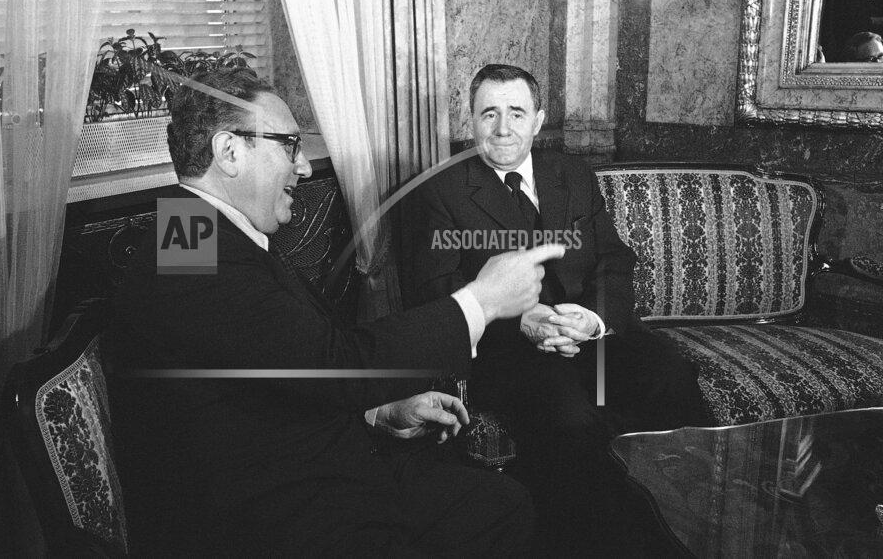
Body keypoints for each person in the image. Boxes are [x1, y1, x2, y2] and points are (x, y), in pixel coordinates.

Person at [106, 66, 566, 555]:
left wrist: (378, 414)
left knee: (499, 502)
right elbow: (330, 361)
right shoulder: (188, 254)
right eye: (289, 145)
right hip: (276, 514)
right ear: (229, 151)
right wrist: (482, 300)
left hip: (305, 465)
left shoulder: (195, 229)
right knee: (499, 508)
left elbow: (281, 367)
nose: (304, 167)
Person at [407, 63, 707, 555]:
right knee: (572, 422)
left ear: (538, 119)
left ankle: (686, 529)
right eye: (489, 113)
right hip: (509, 354)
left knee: (667, 374)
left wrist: (592, 319)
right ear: (471, 120)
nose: (503, 128)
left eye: (516, 113)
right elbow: (434, 288)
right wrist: (520, 320)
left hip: (590, 345)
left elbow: (612, 260)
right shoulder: (442, 190)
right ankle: (596, 545)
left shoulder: (571, 174)